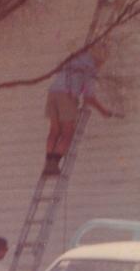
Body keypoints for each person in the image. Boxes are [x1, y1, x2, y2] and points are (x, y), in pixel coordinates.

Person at [43, 42, 116, 177]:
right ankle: (53, 165)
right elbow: (89, 98)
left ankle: (48, 163)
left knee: (54, 130)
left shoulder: (76, 58)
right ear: (99, 58)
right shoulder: (90, 68)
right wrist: (103, 111)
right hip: (67, 95)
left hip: (53, 93)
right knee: (68, 133)